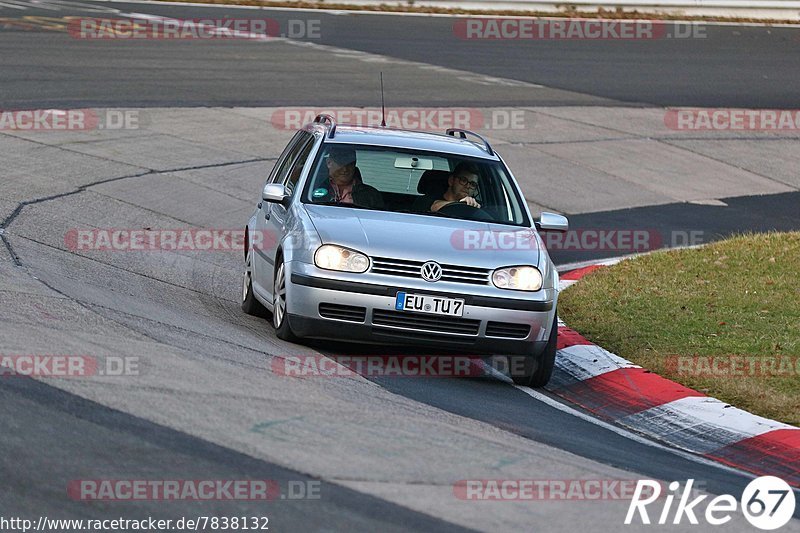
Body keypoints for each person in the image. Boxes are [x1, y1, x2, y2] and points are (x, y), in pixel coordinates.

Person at [312, 146, 384, 209]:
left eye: (349, 164)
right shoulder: (311, 190)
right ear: (329, 163)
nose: (345, 169)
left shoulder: (371, 195)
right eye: (341, 164)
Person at [413, 161, 482, 213]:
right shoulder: (424, 200)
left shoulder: (475, 206)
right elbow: (434, 206)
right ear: (451, 180)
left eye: (473, 184)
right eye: (463, 180)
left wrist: (473, 208)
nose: (468, 186)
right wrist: (460, 204)